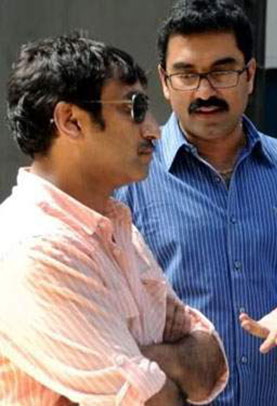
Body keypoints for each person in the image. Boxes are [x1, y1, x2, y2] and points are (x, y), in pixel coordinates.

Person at [114, 0, 277, 404]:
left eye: (222, 72)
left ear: (250, 74)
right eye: (187, 75)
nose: (205, 92)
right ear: (164, 81)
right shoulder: (130, 176)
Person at [0, 34, 229, 405]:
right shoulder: (37, 249)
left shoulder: (116, 228)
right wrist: (163, 360)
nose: (154, 129)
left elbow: (209, 364)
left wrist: (141, 359)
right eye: (134, 107)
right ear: (71, 121)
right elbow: (152, 401)